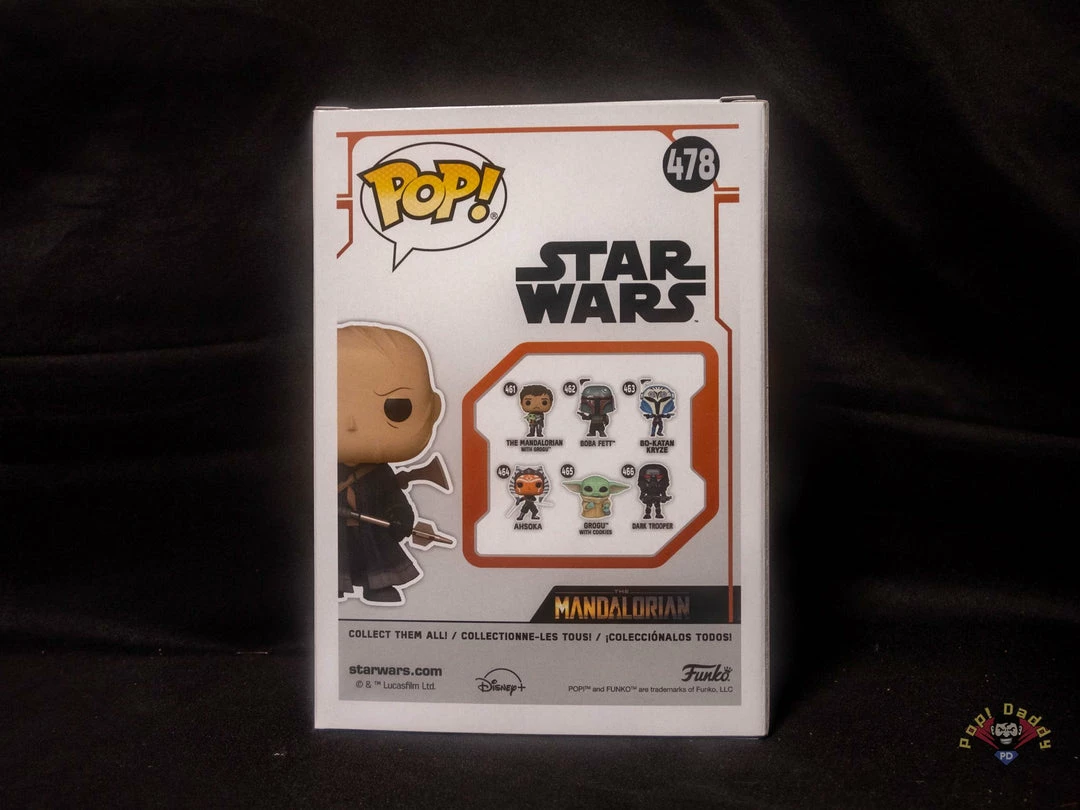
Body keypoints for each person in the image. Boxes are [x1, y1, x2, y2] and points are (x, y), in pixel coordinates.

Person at [337, 323, 445, 604]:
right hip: (335, 532)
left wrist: (400, 518)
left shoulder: (379, 473)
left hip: (371, 531)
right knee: (335, 558)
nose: (351, 424)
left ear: (433, 409)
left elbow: (393, 498)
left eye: (396, 408)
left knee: (375, 558)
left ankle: (377, 587)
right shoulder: (322, 472)